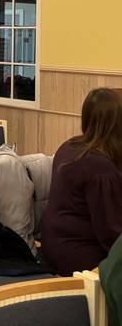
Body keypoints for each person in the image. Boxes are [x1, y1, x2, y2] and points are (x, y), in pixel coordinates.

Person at [42, 88, 122, 276]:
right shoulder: (98, 167)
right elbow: (111, 233)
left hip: (54, 243)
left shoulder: (70, 146)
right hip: (79, 253)